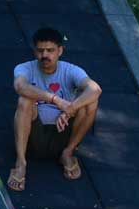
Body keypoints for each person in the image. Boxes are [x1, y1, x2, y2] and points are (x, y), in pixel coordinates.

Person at [9, 26, 102, 192]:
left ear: (60, 50)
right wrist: (56, 100)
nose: (45, 55)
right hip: (34, 135)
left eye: (50, 50)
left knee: (91, 102)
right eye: (40, 50)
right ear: (34, 51)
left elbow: (95, 89)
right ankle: (21, 162)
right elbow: (20, 86)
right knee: (24, 100)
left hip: (63, 133)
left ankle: (68, 153)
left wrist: (71, 108)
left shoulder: (71, 70)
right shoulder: (24, 68)